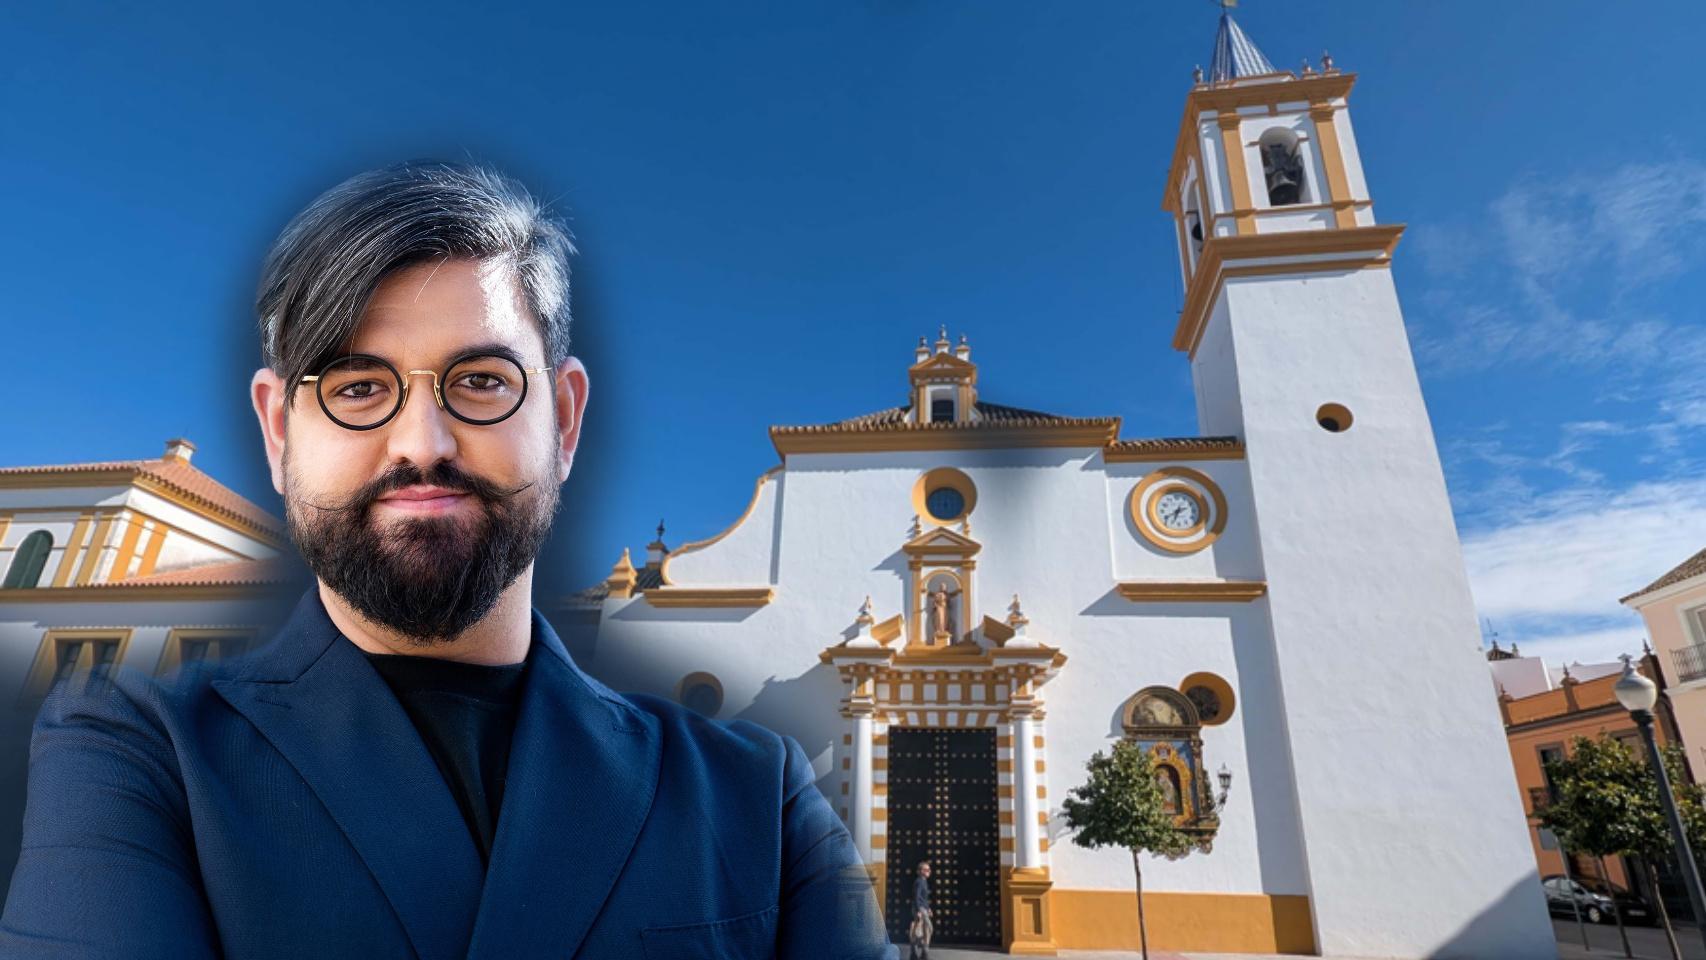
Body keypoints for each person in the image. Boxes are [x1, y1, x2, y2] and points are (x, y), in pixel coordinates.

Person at [0, 161, 893, 959]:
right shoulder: (133, 757)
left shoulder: (760, 797)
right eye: (355, 387)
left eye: (481, 382)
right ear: (278, 432)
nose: (421, 443)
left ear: (567, 419)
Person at [910, 859, 933, 959]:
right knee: (925, 928)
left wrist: (928, 909)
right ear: (921, 871)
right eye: (926, 870)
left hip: (923, 908)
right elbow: (917, 897)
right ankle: (920, 951)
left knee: (926, 929)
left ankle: (920, 952)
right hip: (919, 909)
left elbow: (924, 898)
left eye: (929, 869)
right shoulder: (919, 882)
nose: (929, 871)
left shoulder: (924, 881)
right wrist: (919, 910)